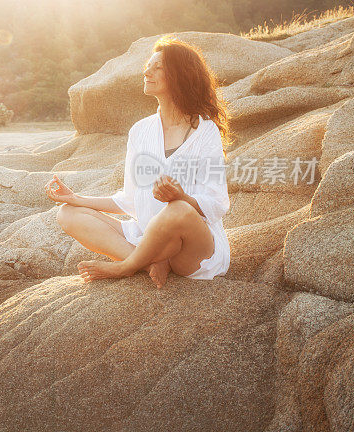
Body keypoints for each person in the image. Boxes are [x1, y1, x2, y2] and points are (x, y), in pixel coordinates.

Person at [45, 35, 232, 289]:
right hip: (147, 237)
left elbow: (218, 202)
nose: (147, 71)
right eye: (148, 65)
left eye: (158, 67)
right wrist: (76, 198)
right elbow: (129, 200)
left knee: (178, 209)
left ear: (180, 75)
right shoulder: (140, 131)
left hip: (192, 248)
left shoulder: (205, 131)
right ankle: (150, 263)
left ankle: (125, 266)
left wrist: (182, 197)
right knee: (67, 214)